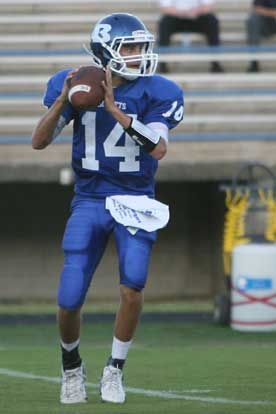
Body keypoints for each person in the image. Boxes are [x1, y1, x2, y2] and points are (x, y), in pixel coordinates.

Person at [31, 13, 183, 405]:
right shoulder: (77, 83)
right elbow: (39, 141)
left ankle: (114, 369)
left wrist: (118, 112)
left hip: (136, 199)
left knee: (133, 285)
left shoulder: (160, 90)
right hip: (90, 197)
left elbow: (159, 148)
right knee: (69, 295)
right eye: (129, 47)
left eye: (141, 47)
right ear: (104, 51)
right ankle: (71, 368)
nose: (138, 55)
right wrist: (65, 99)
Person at [158, 0, 224, 73]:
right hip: (176, 17)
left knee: (212, 21)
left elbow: (209, 6)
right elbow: (165, 7)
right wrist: (183, 13)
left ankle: (216, 63)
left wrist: (195, 12)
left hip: (197, 17)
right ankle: (162, 64)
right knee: (164, 23)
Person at [247, 0, 276, 72]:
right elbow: (257, 9)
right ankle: (254, 61)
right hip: (266, 24)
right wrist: (272, 13)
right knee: (253, 19)